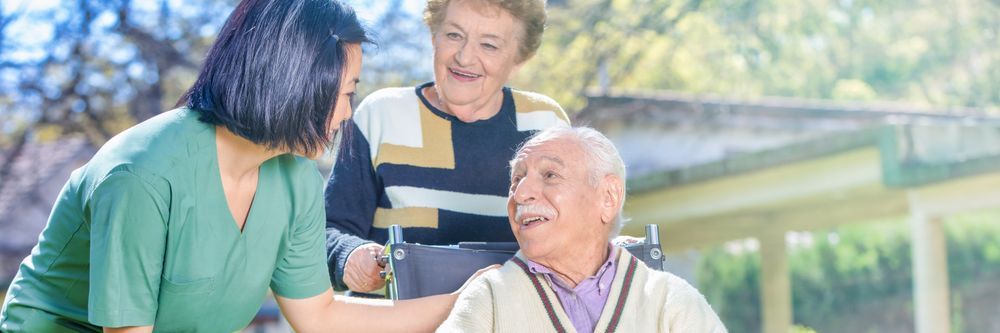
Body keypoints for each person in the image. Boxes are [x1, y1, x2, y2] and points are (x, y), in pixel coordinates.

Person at [0, 1, 487, 332]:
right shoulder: (142, 175)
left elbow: (319, 316)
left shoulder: (293, 175)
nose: (347, 114)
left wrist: (473, 299)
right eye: (344, 94)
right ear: (294, 86)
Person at [325, 0, 570, 295]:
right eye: (454, 35)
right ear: (433, 37)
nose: (465, 57)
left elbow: (574, 238)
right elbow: (326, 231)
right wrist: (350, 256)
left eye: (489, 45)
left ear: (518, 60)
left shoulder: (545, 124)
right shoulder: (381, 115)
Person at [437, 126, 728, 333]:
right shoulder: (489, 299)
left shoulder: (670, 302)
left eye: (550, 175)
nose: (520, 194)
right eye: (516, 180)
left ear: (607, 197)